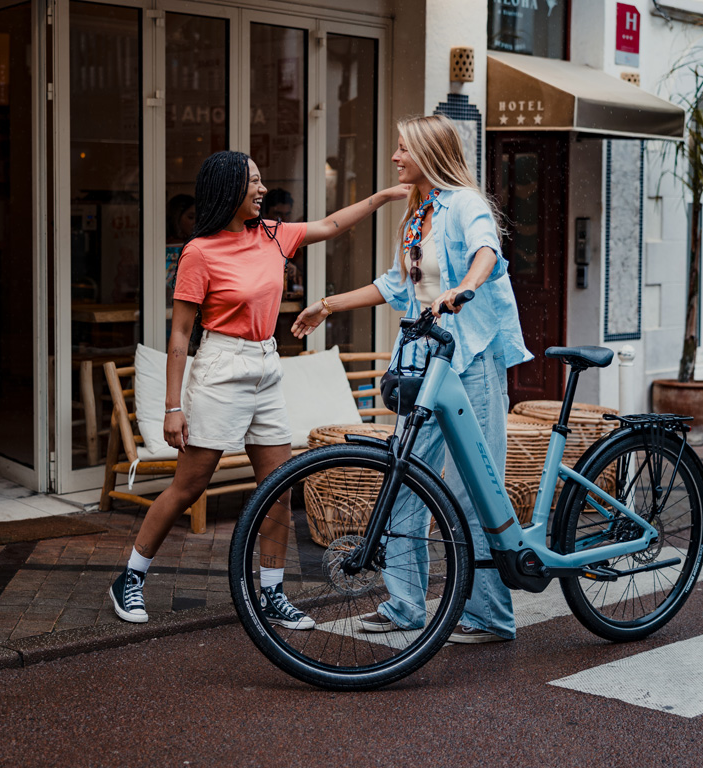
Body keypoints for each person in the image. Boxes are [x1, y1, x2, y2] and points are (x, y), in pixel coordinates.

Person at [110, 150, 408, 625]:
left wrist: (388, 195)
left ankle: (271, 592)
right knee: (188, 487)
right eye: (253, 182)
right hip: (220, 368)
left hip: (267, 365)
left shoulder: (273, 235)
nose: (263, 189)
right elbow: (181, 335)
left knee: (278, 489)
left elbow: (331, 226)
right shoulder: (199, 251)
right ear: (228, 189)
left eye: (261, 180)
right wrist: (172, 406)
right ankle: (130, 577)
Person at [292, 114, 533, 644]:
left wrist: (462, 290)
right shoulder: (419, 215)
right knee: (404, 477)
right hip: (428, 362)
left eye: (403, 148)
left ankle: (489, 614)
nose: (396, 156)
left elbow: (487, 253)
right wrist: (328, 306)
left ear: (429, 152)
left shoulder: (464, 202)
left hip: (470, 359)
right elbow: (398, 285)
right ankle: (405, 604)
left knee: (476, 486)